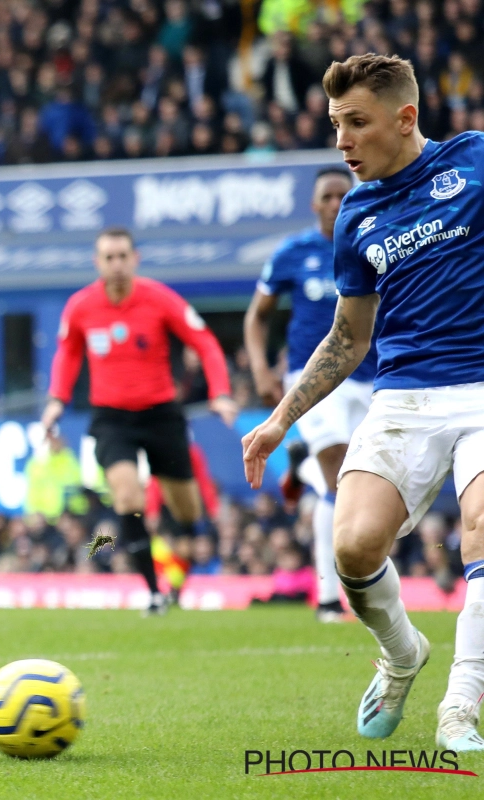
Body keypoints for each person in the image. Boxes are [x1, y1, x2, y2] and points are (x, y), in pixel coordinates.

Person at [242, 54, 484, 751]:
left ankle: (461, 706)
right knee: (351, 547)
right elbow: (348, 339)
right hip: (403, 396)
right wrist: (279, 420)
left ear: (404, 119)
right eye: (334, 125)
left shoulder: (473, 165)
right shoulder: (356, 214)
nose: (342, 141)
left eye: (356, 123)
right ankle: (404, 655)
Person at [41, 227, 238, 616]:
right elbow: (67, 354)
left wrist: (220, 392)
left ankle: (176, 578)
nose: (116, 265)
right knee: (128, 499)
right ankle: (151, 592)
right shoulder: (81, 307)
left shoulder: (159, 299)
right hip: (112, 418)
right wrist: (56, 400)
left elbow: (204, 342)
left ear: (135, 258)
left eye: (122, 256)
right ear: (97, 263)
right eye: (108, 258)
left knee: (187, 511)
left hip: (161, 415)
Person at [244, 166, 374, 624]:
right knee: (338, 474)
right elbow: (257, 316)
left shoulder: (372, 243)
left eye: (344, 194)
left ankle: (300, 466)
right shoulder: (293, 253)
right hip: (312, 379)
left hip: (372, 377)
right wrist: (261, 370)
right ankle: (327, 599)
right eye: (328, 196)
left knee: (355, 485)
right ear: (315, 204)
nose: (337, 203)